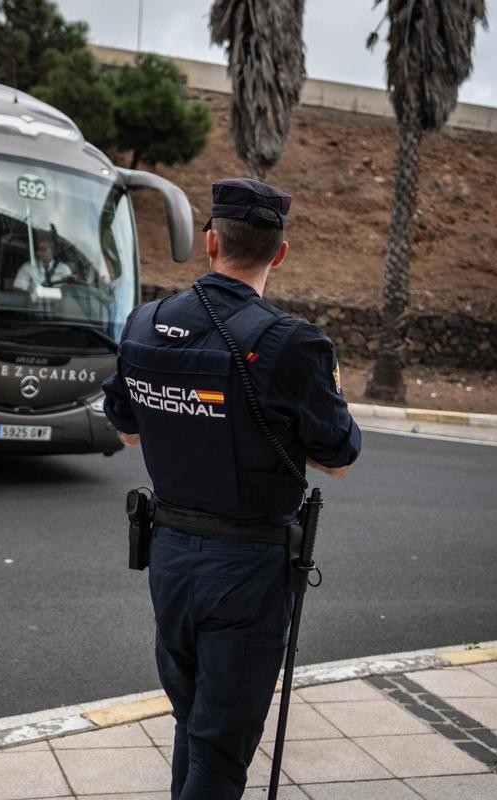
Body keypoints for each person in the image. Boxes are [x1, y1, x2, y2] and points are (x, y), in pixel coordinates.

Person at [102, 178, 361, 800]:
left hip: (169, 560)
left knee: (192, 722)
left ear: (211, 242)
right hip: (246, 569)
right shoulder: (292, 343)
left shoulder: (145, 322)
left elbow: (127, 433)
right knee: (221, 749)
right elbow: (341, 458)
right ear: (280, 252)